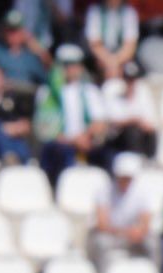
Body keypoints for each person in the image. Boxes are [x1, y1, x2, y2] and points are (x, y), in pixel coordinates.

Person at [38, 44, 109, 189]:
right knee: (62, 154)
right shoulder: (47, 93)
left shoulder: (90, 91)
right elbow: (45, 129)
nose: (71, 69)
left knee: (107, 156)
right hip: (61, 143)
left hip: (86, 141)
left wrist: (84, 137)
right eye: (66, 65)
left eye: (75, 65)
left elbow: (100, 122)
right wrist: (72, 140)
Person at [88, 151, 152, 273]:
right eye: (122, 177)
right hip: (111, 236)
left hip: (130, 236)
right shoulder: (104, 190)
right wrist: (127, 232)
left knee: (152, 244)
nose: (125, 181)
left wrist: (138, 232)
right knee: (101, 243)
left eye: (128, 178)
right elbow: (102, 224)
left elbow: (146, 222)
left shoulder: (141, 192)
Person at [0, 10, 51, 92]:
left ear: (23, 32)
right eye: (9, 30)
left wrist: (41, 51)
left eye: (15, 30)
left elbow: (47, 80)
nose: (12, 34)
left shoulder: (30, 57)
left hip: (24, 98)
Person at [101, 59, 156, 160]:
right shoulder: (113, 92)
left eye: (133, 79)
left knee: (150, 134)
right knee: (131, 131)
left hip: (139, 135)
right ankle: (135, 160)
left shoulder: (143, 92)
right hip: (118, 137)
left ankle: (150, 160)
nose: (130, 83)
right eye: (127, 79)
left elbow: (149, 123)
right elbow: (113, 121)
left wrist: (137, 122)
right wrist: (134, 120)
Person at [84, 0, 139, 81]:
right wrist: (109, 62)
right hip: (101, 56)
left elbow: (130, 45)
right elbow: (94, 44)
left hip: (122, 57)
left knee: (130, 69)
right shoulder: (95, 11)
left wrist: (116, 62)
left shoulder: (129, 12)